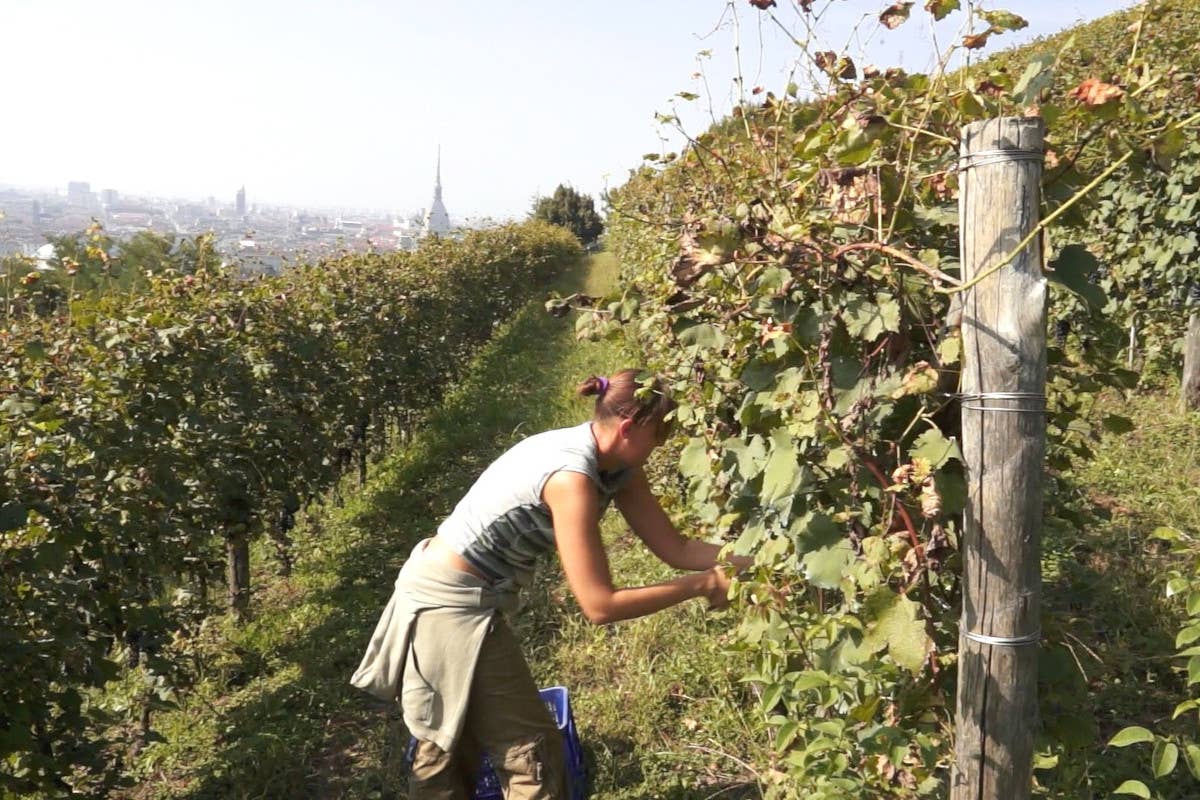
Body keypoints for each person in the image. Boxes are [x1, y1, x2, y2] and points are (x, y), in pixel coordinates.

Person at [350, 369, 747, 800]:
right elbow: (600, 605)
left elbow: (678, 548)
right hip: (447, 606)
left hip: (462, 595)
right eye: (661, 435)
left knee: (453, 738)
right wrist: (702, 586)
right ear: (631, 426)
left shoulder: (615, 466)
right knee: (526, 752)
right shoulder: (570, 478)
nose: (663, 447)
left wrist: (763, 560)